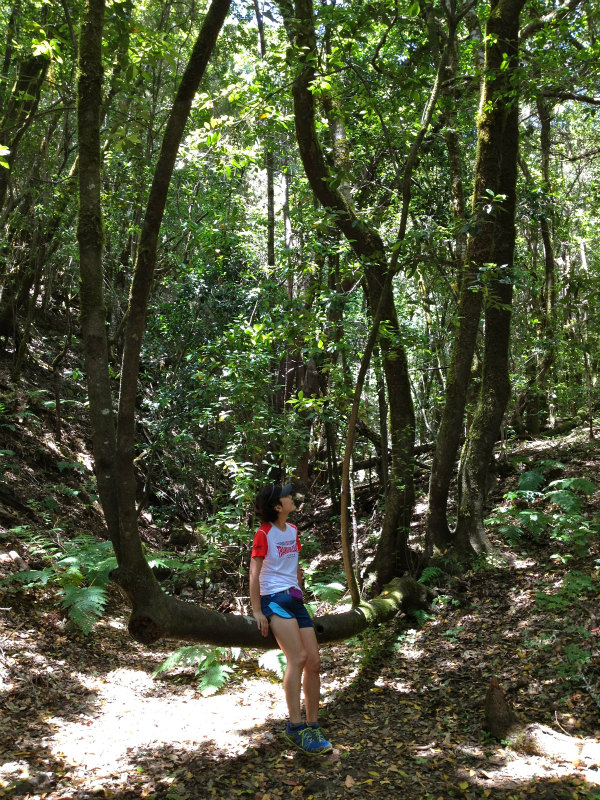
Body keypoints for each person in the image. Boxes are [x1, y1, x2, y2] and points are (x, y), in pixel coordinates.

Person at [250, 483, 332, 755]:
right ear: (277, 506)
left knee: (314, 662)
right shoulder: (263, 533)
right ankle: (295, 728)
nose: (292, 498)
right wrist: (258, 610)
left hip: (295, 599)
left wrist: (300, 588)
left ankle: (312, 724)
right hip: (273, 599)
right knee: (296, 658)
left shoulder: (293, 530)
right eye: (287, 496)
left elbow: (295, 564)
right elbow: (254, 572)